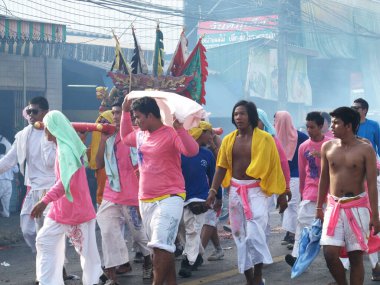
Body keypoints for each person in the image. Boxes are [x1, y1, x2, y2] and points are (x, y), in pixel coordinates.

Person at [206, 100, 287, 285]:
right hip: (235, 192)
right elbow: (221, 167)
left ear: (251, 116)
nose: (238, 117)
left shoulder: (266, 139)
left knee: (254, 235)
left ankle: (258, 275)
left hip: (257, 191)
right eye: (235, 114)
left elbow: (275, 167)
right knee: (239, 237)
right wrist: (213, 190)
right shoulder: (229, 139)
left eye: (242, 113)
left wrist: (282, 194)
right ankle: (250, 279)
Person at [120, 95, 199, 285]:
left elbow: (192, 151)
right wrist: (124, 112)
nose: (136, 121)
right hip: (146, 200)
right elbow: (124, 138)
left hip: (170, 197)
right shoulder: (140, 134)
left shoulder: (171, 133)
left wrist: (180, 130)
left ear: (150, 115)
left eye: (138, 117)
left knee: (160, 245)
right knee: (161, 248)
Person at [31, 110, 103, 285]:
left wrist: (44, 201)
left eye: (47, 127)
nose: (45, 131)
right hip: (61, 209)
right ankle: (48, 281)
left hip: (75, 210)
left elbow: (65, 183)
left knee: (87, 253)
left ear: (54, 129)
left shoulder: (66, 150)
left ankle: (93, 281)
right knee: (44, 240)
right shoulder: (66, 146)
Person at [316, 106, 380, 285]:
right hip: (334, 206)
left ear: (349, 126)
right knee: (329, 253)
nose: (331, 127)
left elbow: (372, 186)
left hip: (358, 208)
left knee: (355, 258)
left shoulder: (366, 149)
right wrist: (318, 207)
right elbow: (324, 179)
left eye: (336, 123)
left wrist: (375, 215)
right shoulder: (327, 147)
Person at [96, 99, 152, 283]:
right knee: (107, 232)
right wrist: (103, 141)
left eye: (118, 113)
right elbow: (98, 164)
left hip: (133, 194)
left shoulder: (137, 135)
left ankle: (148, 262)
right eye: (113, 113)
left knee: (139, 235)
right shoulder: (109, 137)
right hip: (111, 193)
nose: (114, 116)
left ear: (128, 115)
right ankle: (112, 275)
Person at [0, 96, 56, 253]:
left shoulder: (54, 132)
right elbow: (9, 160)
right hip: (33, 189)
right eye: (28, 111)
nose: (30, 114)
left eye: (35, 111)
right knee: (28, 230)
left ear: (46, 112)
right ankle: (47, 262)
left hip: (52, 189)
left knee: (47, 232)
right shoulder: (23, 134)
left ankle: (54, 269)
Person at [284, 111, 330, 267]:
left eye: (312, 127)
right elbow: (303, 172)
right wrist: (303, 193)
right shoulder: (303, 146)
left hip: (330, 193)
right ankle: (296, 256)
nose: (309, 130)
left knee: (334, 228)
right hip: (310, 192)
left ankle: (343, 261)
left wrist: (323, 156)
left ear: (320, 127)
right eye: (307, 127)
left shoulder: (331, 145)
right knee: (302, 223)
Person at [177, 121, 222, 277]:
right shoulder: (179, 151)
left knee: (193, 230)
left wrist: (219, 197)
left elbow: (214, 176)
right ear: (200, 132)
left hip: (200, 199)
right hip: (179, 197)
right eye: (208, 132)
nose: (211, 136)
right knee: (182, 230)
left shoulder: (207, 154)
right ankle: (198, 254)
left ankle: (187, 261)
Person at [274, 111, 309, 249]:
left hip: (295, 175)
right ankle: (290, 233)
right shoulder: (273, 137)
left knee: (292, 205)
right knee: (284, 206)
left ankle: (293, 235)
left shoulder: (300, 137)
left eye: (276, 120)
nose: (274, 123)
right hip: (279, 176)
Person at [88, 110, 114, 209]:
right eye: (100, 122)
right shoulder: (97, 145)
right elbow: (97, 163)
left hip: (123, 199)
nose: (101, 125)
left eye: (105, 122)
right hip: (102, 199)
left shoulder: (124, 141)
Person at [0, 144, 18, 217]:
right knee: (6, 201)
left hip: (0, 181)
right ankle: (6, 214)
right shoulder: (9, 159)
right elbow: (16, 170)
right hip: (9, 182)